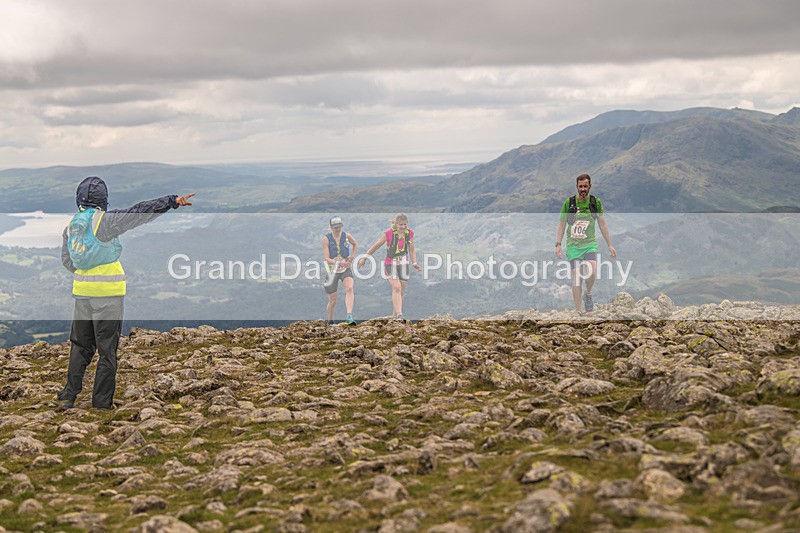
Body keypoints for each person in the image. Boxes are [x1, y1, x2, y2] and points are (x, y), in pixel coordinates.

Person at [57, 176, 195, 410]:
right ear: (104, 200)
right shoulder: (104, 222)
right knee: (107, 351)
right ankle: (101, 404)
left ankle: (67, 397)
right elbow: (138, 212)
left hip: (82, 294)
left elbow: (67, 261)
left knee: (80, 347)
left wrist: (86, 273)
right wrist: (172, 201)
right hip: (108, 296)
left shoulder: (72, 226)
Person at [555, 174, 617, 312]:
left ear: (590, 186)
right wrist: (558, 244)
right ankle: (578, 311)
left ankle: (587, 293)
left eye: (585, 186)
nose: (583, 189)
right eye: (580, 186)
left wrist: (610, 245)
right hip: (573, 245)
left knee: (592, 271)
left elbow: (603, 224)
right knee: (577, 277)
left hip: (589, 244)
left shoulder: (595, 202)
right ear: (577, 187)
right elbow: (562, 224)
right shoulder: (569, 203)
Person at [358, 213, 421, 320]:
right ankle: (400, 314)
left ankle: (395, 315)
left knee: (401, 291)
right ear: (396, 224)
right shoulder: (388, 234)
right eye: (400, 225)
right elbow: (376, 245)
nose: (403, 227)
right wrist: (365, 258)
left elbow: (411, 250)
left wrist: (414, 262)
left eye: (405, 224)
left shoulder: (410, 234)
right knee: (396, 287)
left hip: (403, 265)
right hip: (390, 264)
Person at [322, 216, 358, 325]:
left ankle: (349, 316)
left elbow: (355, 244)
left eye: (339, 226)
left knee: (350, 288)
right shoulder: (326, 239)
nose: (338, 229)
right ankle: (330, 320)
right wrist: (338, 263)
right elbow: (326, 258)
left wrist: (352, 256)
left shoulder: (346, 236)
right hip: (332, 270)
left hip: (345, 268)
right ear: (331, 227)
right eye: (335, 227)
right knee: (333, 300)